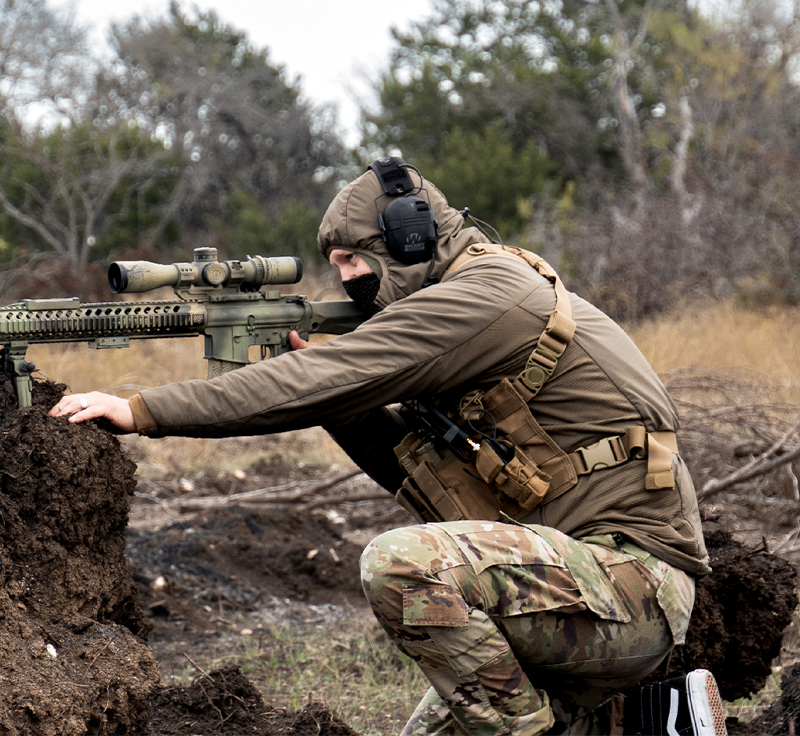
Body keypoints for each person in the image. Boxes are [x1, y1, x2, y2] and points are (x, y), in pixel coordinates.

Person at [50, 158, 726, 736]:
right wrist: (332, 400)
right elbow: (409, 469)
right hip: (576, 595)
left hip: (632, 593)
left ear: (410, 239)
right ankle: (656, 718)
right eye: (336, 264)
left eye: (354, 258)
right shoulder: (471, 295)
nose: (345, 279)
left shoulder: (490, 294)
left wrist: (142, 408)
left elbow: (334, 374)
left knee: (403, 566)